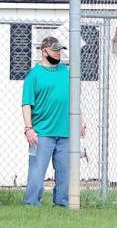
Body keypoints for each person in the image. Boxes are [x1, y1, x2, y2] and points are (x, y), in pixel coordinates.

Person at [22, 37, 85, 206]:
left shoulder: (66, 71)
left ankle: (61, 204)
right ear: (44, 51)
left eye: (59, 50)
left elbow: (74, 100)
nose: (58, 53)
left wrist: (80, 122)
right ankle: (31, 203)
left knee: (65, 172)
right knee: (37, 171)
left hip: (65, 132)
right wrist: (29, 129)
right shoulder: (34, 75)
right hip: (41, 133)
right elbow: (26, 103)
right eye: (55, 50)